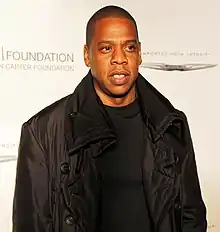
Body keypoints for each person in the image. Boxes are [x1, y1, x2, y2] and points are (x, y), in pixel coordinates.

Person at [12, 5, 207, 232]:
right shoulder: (42, 131)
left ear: (140, 53)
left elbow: (191, 217)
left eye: (129, 47)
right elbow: (31, 224)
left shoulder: (170, 124)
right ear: (87, 55)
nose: (119, 59)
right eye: (106, 48)